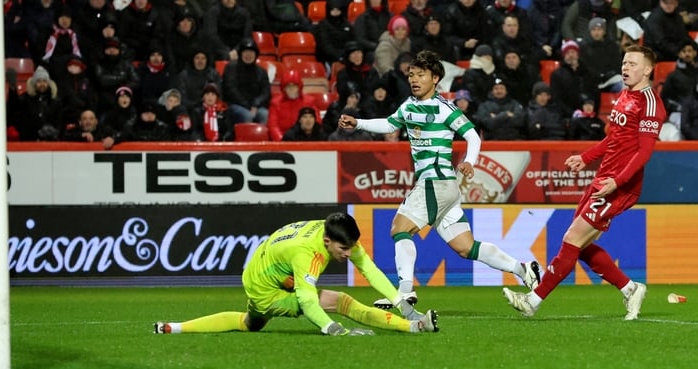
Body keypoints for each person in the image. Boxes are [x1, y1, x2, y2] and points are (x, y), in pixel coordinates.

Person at [337, 50, 541, 316]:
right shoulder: (408, 105)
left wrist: (470, 161)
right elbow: (389, 125)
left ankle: (405, 290)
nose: (414, 79)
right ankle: (522, 268)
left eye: (421, 75)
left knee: (399, 229)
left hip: (436, 181)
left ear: (435, 78)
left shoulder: (445, 108)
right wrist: (359, 123)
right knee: (466, 247)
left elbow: (474, 137)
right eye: (411, 74)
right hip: (443, 188)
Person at [503, 45, 666, 320]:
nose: (625, 68)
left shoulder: (650, 103)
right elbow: (614, 140)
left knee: (571, 239)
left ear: (648, 69)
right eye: (624, 62)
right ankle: (630, 288)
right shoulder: (625, 95)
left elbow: (644, 153)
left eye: (633, 64)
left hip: (619, 186)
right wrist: (586, 157)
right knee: (578, 245)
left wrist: (617, 181)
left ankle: (533, 300)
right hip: (603, 179)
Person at [154, 212, 439, 335]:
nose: (349, 254)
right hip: (264, 287)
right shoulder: (308, 254)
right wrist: (333, 329)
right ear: (328, 242)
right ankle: (413, 328)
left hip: (269, 267)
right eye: (344, 249)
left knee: (250, 324)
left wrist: (402, 303)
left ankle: (175, 327)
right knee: (340, 302)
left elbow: (370, 270)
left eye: (352, 247)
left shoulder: (337, 232)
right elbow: (307, 301)